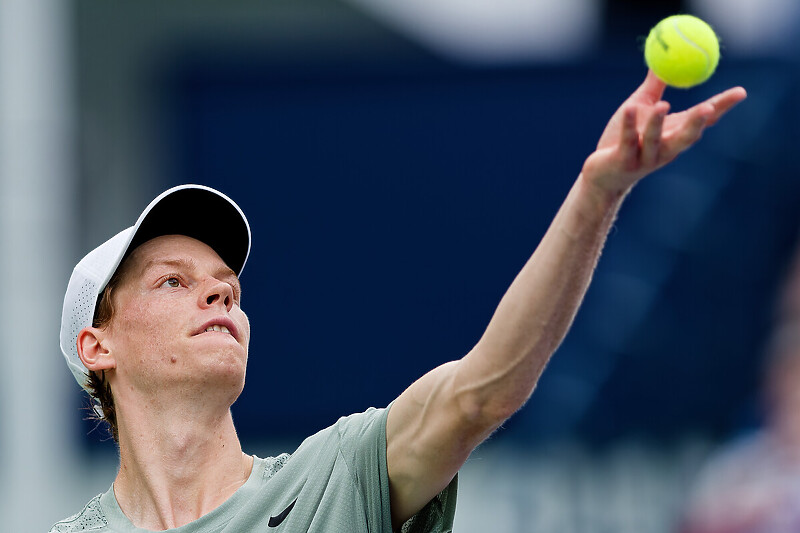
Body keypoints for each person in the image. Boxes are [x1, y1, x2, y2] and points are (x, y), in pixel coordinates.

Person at [51, 71, 746, 533]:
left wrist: (599, 195)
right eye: (173, 279)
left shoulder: (339, 476)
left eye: (226, 284)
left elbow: (483, 389)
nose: (219, 290)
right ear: (98, 345)